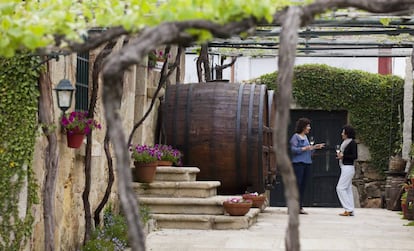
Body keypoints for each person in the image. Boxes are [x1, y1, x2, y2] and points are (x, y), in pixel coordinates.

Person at [290, 117, 325, 214]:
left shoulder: (305, 138)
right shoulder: (295, 137)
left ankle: (299, 207)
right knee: (297, 185)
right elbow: (293, 150)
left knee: (303, 186)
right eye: (308, 126)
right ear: (303, 127)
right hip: (298, 164)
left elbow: (309, 152)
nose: (309, 128)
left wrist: (315, 147)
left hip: (307, 163)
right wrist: (305, 148)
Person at [336, 125, 358, 216]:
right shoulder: (345, 143)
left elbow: (354, 156)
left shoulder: (352, 143)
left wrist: (343, 156)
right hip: (344, 167)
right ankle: (351, 209)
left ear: (347, 133)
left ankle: (348, 209)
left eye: (343, 132)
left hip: (348, 167)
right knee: (348, 189)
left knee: (340, 188)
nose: (342, 134)